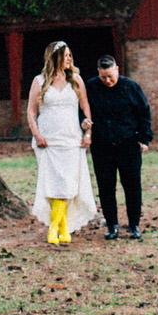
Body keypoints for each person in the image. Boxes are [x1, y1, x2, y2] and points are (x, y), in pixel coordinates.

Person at [28, 40, 96, 245]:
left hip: (71, 139)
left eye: (70, 56)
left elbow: (86, 109)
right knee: (53, 183)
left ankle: (57, 228)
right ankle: (59, 228)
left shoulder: (76, 80)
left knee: (68, 183)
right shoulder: (39, 81)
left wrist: (88, 133)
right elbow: (31, 111)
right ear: (54, 57)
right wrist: (37, 134)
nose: (69, 59)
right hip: (48, 141)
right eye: (65, 55)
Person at [84, 55, 153, 239]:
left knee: (132, 186)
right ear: (98, 74)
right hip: (102, 146)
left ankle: (134, 225)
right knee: (106, 187)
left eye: (110, 76)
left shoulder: (130, 87)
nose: (107, 81)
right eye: (103, 77)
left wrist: (145, 139)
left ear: (117, 70)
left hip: (128, 144)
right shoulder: (90, 88)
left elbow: (144, 113)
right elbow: (82, 111)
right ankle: (112, 225)